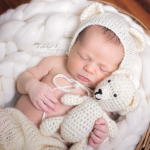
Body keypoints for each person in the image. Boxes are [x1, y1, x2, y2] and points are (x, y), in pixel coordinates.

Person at [1, 2, 145, 150]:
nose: (89, 68)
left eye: (103, 69)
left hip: (50, 145)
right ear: (73, 46)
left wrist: (100, 135)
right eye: (83, 57)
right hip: (14, 124)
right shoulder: (55, 63)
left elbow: (94, 135)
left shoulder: (101, 100)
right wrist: (32, 85)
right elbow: (24, 78)